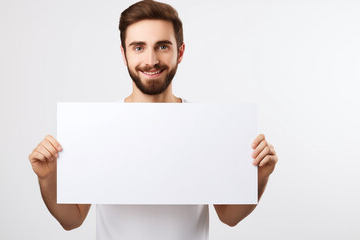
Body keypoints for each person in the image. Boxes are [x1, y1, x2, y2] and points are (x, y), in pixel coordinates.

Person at [28, 0, 279, 239]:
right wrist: (47, 177)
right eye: (139, 47)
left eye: (162, 46)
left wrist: (261, 176)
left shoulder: (206, 126)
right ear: (124, 55)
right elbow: (72, 220)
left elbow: (229, 216)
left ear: (180, 52)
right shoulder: (98, 126)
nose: (151, 60)